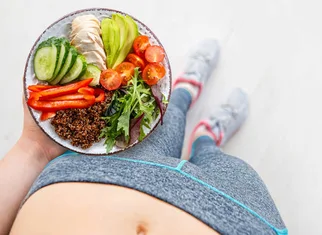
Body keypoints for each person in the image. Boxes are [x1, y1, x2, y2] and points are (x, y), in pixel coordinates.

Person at [0, 39, 288, 235]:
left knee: (164, 121)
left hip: (93, 177)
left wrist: (33, 147)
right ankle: (207, 137)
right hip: (239, 218)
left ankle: (183, 94)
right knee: (229, 166)